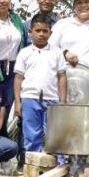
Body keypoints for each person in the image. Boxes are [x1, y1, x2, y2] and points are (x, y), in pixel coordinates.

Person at [13, 14, 68, 154]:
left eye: (45, 31)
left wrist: (62, 101)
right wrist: (18, 103)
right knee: (31, 134)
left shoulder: (57, 52)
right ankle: (33, 164)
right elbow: (18, 78)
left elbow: (62, 76)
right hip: (29, 98)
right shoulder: (24, 53)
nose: (41, 34)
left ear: (51, 33)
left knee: (54, 133)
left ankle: (57, 166)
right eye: (38, 31)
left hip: (52, 99)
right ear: (30, 32)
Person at [49, 0, 89, 70]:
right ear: (74, 7)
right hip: (64, 76)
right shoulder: (62, 24)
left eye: (87, 1)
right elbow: (49, 48)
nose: (83, 5)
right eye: (79, 2)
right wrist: (64, 53)